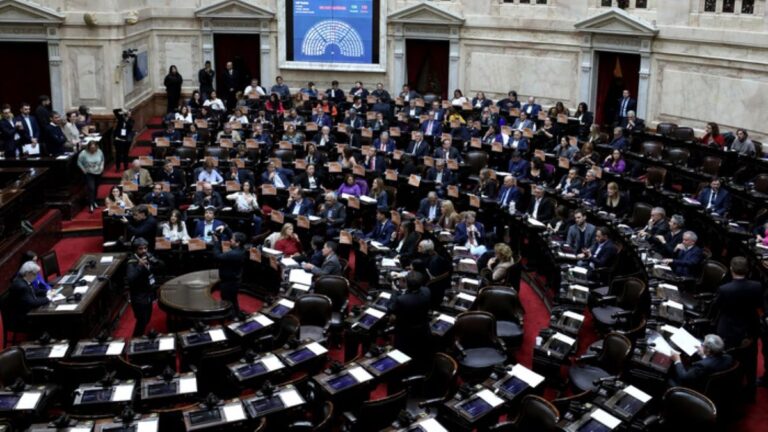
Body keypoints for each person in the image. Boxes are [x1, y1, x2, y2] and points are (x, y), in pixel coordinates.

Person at [714, 256, 762, 400]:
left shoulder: (724, 289)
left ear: (731, 269)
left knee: (729, 359)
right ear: (747, 270)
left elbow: (718, 307)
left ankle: (730, 391)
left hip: (729, 329)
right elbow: (759, 305)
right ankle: (750, 391)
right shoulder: (757, 286)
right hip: (750, 328)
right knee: (750, 361)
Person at [387, 271, 431, 362]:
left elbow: (391, 309)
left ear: (406, 283)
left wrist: (395, 291)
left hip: (405, 333)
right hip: (423, 329)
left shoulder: (402, 299)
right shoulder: (427, 291)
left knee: (403, 357)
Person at [126, 238, 164, 337]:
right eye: (141, 249)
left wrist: (155, 261)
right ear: (135, 250)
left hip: (149, 294)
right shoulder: (132, 262)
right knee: (141, 320)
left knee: (147, 319)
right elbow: (130, 278)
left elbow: (162, 266)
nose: (144, 251)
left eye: (145, 248)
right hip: (139, 297)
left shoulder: (147, 256)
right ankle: (136, 338)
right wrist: (139, 266)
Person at [7, 261, 51, 329]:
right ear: (28, 273)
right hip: (22, 318)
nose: (36, 276)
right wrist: (48, 298)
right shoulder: (22, 286)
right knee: (50, 318)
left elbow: (34, 290)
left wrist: (47, 292)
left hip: (24, 310)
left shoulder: (23, 279)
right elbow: (32, 303)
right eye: (35, 274)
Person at [213, 231, 247, 317]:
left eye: (232, 240)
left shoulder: (234, 254)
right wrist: (225, 228)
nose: (230, 241)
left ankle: (230, 318)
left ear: (238, 243)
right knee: (233, 299)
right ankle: (237, 313)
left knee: (227, 301)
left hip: (229, 282)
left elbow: (217, 256)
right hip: (235, 280)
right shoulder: (241, 249)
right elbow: (232, 236)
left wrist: (216, 242)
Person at [77, 141, 104, 213]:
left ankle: (94, 201)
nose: (93, 149)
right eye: (91, 148)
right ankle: (91, 204)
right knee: (91, 188)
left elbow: (102, 160)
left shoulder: (99, 152)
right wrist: (84, 170)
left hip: (98, 173)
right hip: (89, 173)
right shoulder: (83, 153)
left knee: (96, 187)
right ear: (88, 147)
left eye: (94, 148)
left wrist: (101, 168)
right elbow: (79, 162)